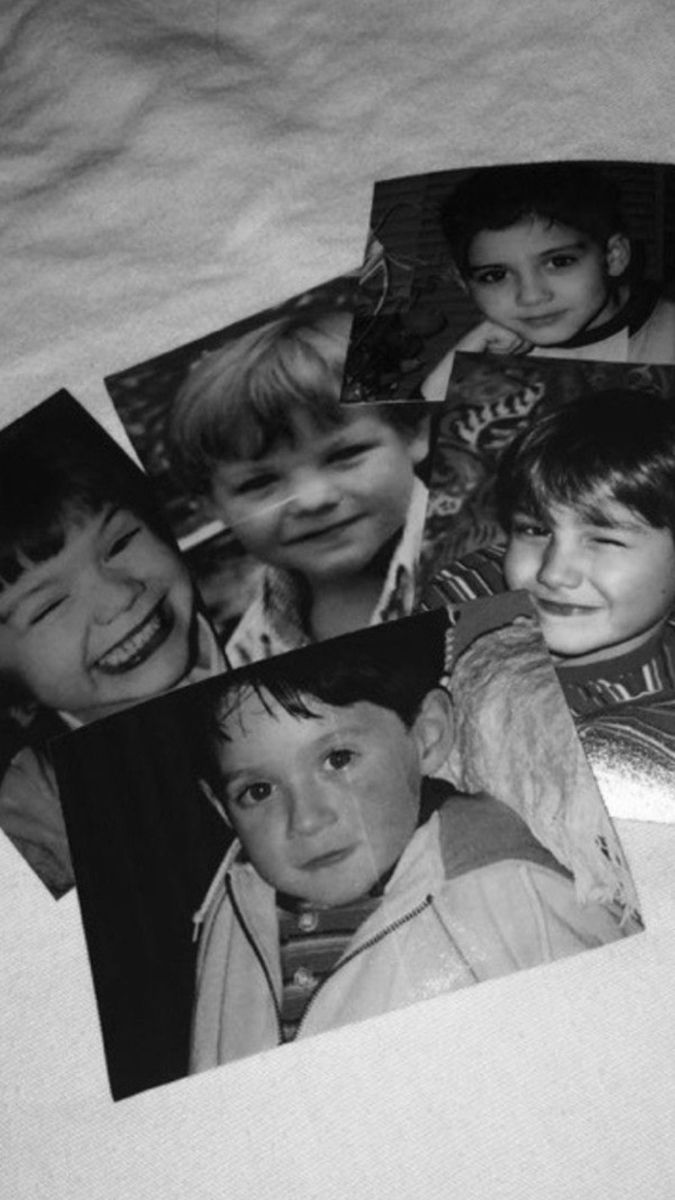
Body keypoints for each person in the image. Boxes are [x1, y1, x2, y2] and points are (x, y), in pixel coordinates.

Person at [188, 612, 628, 1071]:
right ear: (222, 808)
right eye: (258, 791)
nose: (307, 821)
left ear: (426, 738)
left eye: (338, 759)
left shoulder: (513, 894)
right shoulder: (231, 903)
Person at [0, 393, 223, 897]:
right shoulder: (34, 815)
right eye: (48, 606)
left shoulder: (275, 612)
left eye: (120, 543)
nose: (121, 597)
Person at [167, 308, 430, 665]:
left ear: (413, 433)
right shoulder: (248, 652)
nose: (312, 499)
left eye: (346, 455)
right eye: (259, 482)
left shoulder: (488, 552)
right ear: (213, 506)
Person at [427, 389, 675, 721]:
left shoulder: (644, 725)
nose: (552, 573)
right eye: (536, 530)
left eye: (604, 540)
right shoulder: (465, 586)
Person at [422, 163, 675, 399]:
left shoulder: (665, 336)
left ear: (613, 257)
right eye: (495, 276)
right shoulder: (490, 345)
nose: (531, 297)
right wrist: (451, 370)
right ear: (464, 283)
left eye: (560, 262)